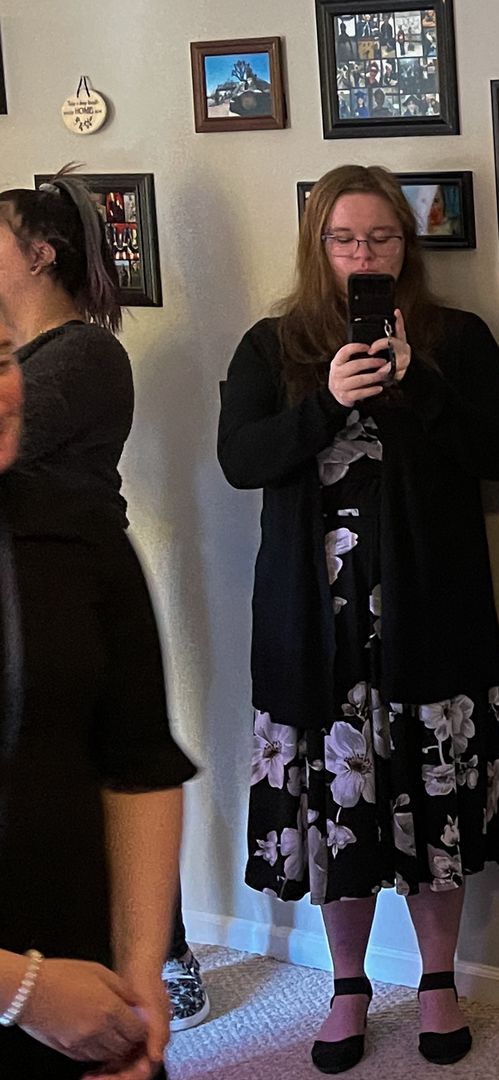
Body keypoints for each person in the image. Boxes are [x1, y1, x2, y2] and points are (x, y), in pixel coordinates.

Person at [216, 165, 499, 1074]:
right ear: (318, 247)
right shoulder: (270, 347)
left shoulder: (457, 341)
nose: (361, 256)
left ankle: (436, 981)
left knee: (434, 809)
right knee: (333, 811)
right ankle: (348, 987)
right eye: (344, 240)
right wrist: (329, 402)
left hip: (432, 621)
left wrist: (416, 384)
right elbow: (241, 459)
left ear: (405, 248)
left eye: (379, 240)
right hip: (316, 632)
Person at [0, 174, 214, 1036]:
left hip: (74, 604)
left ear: (39, 253)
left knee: (88, 783)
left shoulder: (84, 353)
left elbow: (146, 773)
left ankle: (167, 955)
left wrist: (130, 984)